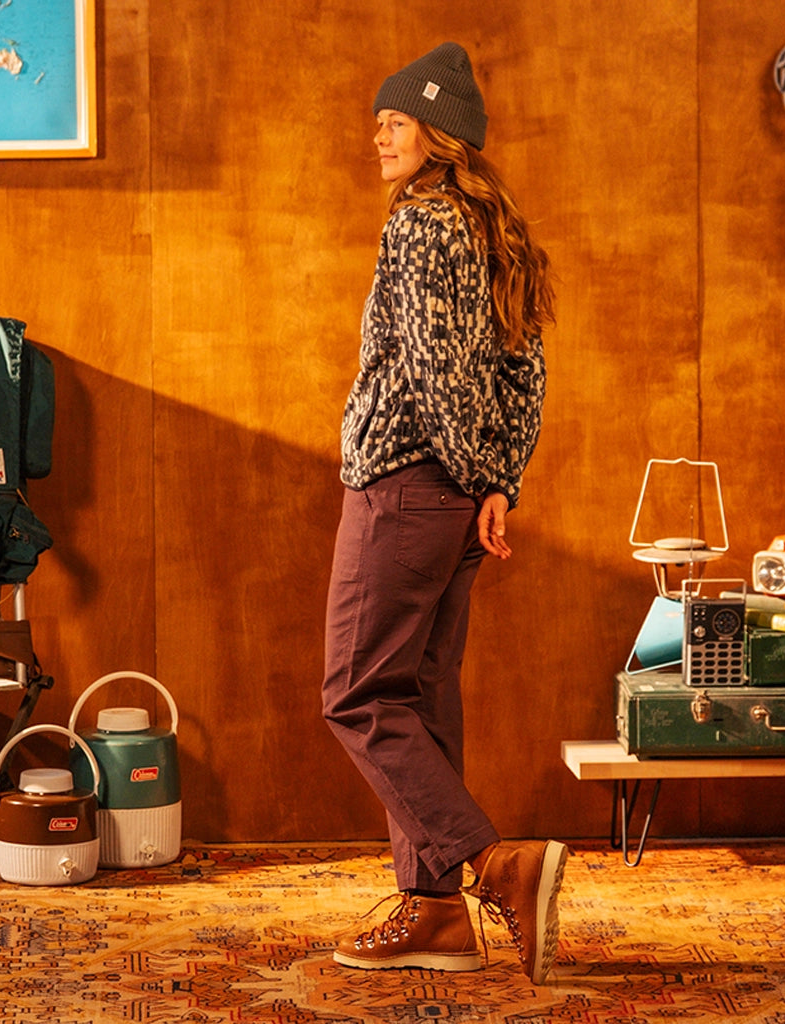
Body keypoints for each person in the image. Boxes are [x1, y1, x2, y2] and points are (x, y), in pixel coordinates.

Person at [321, 41, 564, 986]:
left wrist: (467, 470)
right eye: (377, 121)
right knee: (418, 696)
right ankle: (433, 919)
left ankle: (495, 864)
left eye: (395, 121)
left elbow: (429, 377)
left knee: (356, 694)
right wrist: (495, 479)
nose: (378, 135)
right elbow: (524, 373)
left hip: (402, 489)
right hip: (456, 496)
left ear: (439, 134)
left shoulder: (422, 223)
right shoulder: (492, 229)